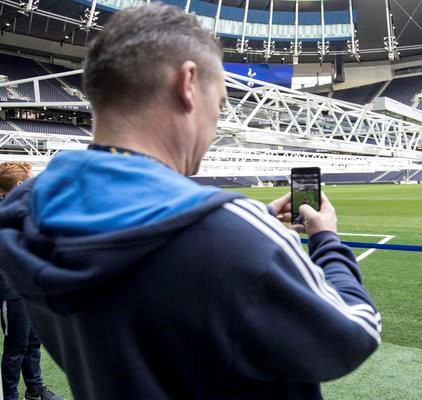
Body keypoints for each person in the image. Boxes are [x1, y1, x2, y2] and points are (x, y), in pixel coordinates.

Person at [0, 4, 380, 400]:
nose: (215, 127)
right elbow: (354, 333)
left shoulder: (29, 211)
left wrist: (249, 226)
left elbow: (150, 274)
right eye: (218, 105)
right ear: (188, 83)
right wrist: (326, 241)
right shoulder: (232, 236)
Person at [0, 162, 64, 400]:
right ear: (19, 185)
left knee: (33, 342)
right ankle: (10, 396)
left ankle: (35, 390)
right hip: (11, 290)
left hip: (32, 288)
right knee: (16, 346)